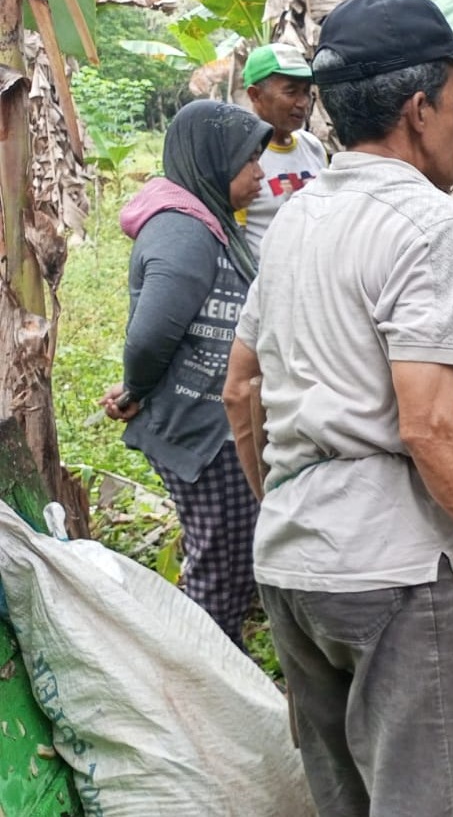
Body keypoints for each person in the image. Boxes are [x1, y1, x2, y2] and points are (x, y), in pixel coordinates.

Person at [221, 0, 453, 816]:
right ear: (419, 109)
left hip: (288, 564)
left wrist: (285, 500)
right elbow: (428, 422)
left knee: (345, 799)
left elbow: (239, 389)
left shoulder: (293, 218)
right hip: (383, 572)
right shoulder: (428, 223)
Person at [100, 99, 271, 648]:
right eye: (250, 161)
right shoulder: (183, 230)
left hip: (214, 418)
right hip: (202, 431)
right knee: (220, 569)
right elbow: (151, 334)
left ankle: (219, 671)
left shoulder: (207, 220)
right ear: (216, 161)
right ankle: (207, 685)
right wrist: (136, 388)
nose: (259, 174)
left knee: (230, 556)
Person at [241, 42, 326, 258]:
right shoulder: (239, 155)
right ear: (255, 95)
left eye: (306, 92)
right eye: (291, 92)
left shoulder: (313, 147)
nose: (303, 103)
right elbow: (234, 235)